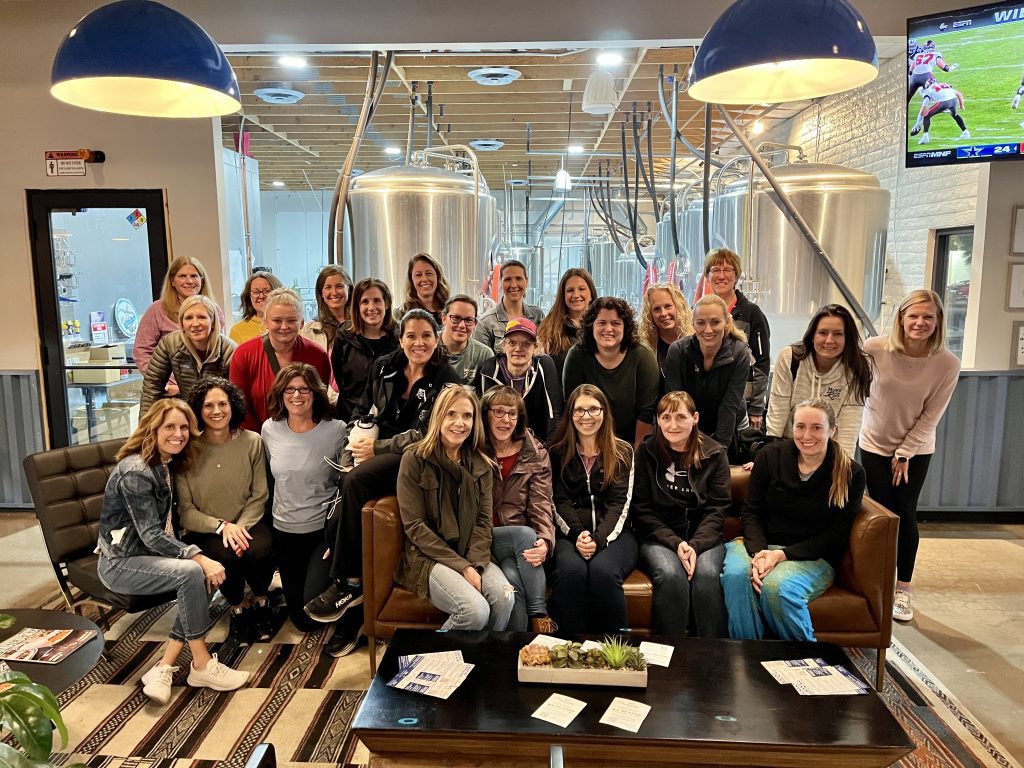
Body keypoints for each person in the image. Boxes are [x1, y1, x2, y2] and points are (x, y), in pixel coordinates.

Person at [303, 309, 462, 630]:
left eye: (426, 335)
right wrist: (358, 441)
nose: (419, 342)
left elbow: (426, 434)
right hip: (381, 451)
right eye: (411, 336)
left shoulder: (447, 379)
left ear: (436, 338)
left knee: (356, 481)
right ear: (400, 339)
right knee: (346, 476)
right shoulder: (385, 366)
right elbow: (366, 410)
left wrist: (375, 449)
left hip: (421, 459)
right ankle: (338, 553)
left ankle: (350, 582)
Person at [97, 399, 249, 705]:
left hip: (150, 557)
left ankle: (165, 666)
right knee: (195, 569)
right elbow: (152, 535)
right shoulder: (138, 471)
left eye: (183, 427)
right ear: (153, 428)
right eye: (170, 426)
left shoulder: (165, 462)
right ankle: (202, 663)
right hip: (120, 563)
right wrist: (198, 556)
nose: (178, 433)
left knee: (198, 573)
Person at [721, 399, 865, 642]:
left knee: (777, 587)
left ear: (833, 430)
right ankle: (747, 659)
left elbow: (836, 535)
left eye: (817, 428)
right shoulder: (770, 456)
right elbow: (751, 512)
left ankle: (804, 661)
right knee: (736, 576)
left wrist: (782, 556)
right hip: (759, 545)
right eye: (800, 426)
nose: (807, 435)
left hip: (812, 555)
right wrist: (759, 554)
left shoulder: (850, 472)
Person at [859, 289, 959, 622]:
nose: (919, 322)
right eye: (913, 315)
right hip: (873, 444)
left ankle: (902, 589)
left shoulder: (947, 363)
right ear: (901, 317)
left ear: (938, 321)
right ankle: (878, 583)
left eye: (927, 317)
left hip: (915, 451)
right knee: (881, 516)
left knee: (905, 513)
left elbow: (932, 414)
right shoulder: (875, 348)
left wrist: (904, 453)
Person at [394, 386, 514, 631]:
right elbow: (415, 527)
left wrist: (474, 563)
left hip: (472, 551)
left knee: (504, 596)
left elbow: (483, 523)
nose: (460, 423)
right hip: (428, 556)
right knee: (474, 611)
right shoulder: (415, 458)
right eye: (451, 414)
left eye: (467, 416)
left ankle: (481, 662)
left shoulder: (481, 463)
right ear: (439, 416)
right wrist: (463, 567)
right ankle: (435, 664)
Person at [260, 364, 356, 655]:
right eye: (290, 389)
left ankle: (352, 609)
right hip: (285, 530)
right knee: (302, 620)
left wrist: (337, 534)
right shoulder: (269, 429)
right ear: (281, 394)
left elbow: (347, 486)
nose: (297, 395)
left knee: (313, 612)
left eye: (304, 389)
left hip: (321, 533)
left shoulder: (336, 430)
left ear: (316, 394)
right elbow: (268, 479)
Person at [177, 377, 273, 644]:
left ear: (233, 407)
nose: (216, 411)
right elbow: (185, 510)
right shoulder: (187, 449)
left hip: (248, 523)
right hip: (207, 529)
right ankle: (238, 605)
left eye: (222, 404)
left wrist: (239, 527)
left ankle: (262, 600)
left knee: (260, 550)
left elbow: (259, 494)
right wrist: (222, 527)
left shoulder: (253, 441)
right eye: (208, 406)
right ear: (198, 410)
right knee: (225, 556)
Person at [632, 391, 730, 637]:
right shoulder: (646, 452)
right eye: (665, 418)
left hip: (703, 537)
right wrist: (677, 544)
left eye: (680, 417)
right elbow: (642, 509)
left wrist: (694, 546)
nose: (672, 425)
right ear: (658, 421)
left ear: (695, 418)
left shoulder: (716, 454)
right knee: (671, 574)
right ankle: (671, 649)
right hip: (659, 536)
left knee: (706, 575)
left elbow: (718, 509)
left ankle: (712, 650)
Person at [549, 384, 637, 634]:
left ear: (604, 412)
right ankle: (570, 648)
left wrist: (598, 540)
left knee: (603, 572)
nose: (586, 417)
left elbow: (620, 504)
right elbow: (558, 500)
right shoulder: (557, 452)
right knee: (570, 572)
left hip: (615, 535)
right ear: (570, 414)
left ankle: (616, 651)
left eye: (593, 410)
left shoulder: (623, 451)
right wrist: (578, 535)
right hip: (570, 533)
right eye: (579, 410)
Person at [480, 386, 557, 632]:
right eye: (498, 412)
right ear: (486, 414)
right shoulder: (474, 448)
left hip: (515, 547)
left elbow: (541, 502)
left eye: (512, 414)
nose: (505, 420)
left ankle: (517, 648)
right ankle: (540, 617)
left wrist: (545, 539)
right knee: (525, 534)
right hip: (482, 535)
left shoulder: (534, 453)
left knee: (513, 578)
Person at [766, 304, 873, 456]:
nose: (829, 340)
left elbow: (849, 428)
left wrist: (842, 469)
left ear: (847, 338)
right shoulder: (790, 358)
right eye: (823, 333)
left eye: (837, 334)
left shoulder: (857, 368)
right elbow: (777, 411)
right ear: (812, 335)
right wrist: (771, 455)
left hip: (827, 451)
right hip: (790, 445)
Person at [562, 297, 660, 445]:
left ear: (625, 327)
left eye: (616, 323)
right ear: (591, 326)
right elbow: (573, 408)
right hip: (588, 439)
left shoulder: (642, 355)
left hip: (633, 441)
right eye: (602, 323)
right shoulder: (577, 355)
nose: (608, 329)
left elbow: (646, 413)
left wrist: (636, 460)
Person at [229, 288, 330, 431]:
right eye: (277, 320)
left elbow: (319, 403)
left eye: (291, 320)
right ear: (265, 322)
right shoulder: (243, 355)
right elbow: (240, 407)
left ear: (301, 323)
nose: (284, 327)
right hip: (259, 439)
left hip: (306, 437)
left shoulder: (317, 355)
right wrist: (261, 441)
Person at [664, 295, 751, 452]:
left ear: (727, 323)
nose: (708, 329)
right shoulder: (677, 351)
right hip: (685, 428)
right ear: (693, 324)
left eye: (715, 322)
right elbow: (676, 405)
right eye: (701, 323)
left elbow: (729, 405)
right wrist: (683, 447)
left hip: (727, 427)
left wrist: (718, 452)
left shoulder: (740, 353)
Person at [701, 248, 770, 430]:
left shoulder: (752, 314)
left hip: (743, 404)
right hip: (708, 403)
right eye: (715, 270)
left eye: (728, 270)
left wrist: (756, 408)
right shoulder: (699, 311)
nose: (721, 276)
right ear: (707, 276)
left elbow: (762, 362)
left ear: (737, 275)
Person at [140, 295, 235, 415]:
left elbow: (237, 397)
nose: (195, 324)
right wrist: (145, 429)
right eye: (189, 318)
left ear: (213, 322)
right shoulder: (170, 344)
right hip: (187, 415)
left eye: (202, 317)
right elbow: (152, 388)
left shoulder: (229, 350)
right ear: (182, 323)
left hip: (219, 415)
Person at [133, 256, 226, 378]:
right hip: (171, 389)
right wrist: (165, 382)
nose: (189, 281)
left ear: (202, 281)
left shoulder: (214, 310)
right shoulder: (157, 310)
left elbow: (220, 351)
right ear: (172, 281)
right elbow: (142, 351)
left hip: (207, 387)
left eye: (194, 276)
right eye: (182, 276)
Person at [475, 318, 563, 443]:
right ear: (504, 345)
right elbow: (483, 417)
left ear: (535, 347)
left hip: (537, 444)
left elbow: (554, 413)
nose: (518, 348)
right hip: (496, 444)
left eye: (526, 344)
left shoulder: (544, 365)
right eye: (512, 343)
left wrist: (549, 453)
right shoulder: (489, 370)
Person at [331, 277, 399, 422]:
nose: (371, 307)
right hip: (349, 420)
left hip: (387, 422)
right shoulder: (344, 338)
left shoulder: (398, 340)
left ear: (386, 304)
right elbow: (342, 383)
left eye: (377, 300)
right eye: (365, 302)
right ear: (357, 306)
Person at [474, 260, 546, 350]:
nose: (513, 285)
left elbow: (543, 352)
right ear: (501, 282)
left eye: (518, 278)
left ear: (526, 282)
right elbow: (482, 360)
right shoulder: (486, 322)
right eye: (508, 279)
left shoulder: (538, 315)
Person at [536, 267, 596, 373]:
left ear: (591, 294)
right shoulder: (549, 329)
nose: (576, 295)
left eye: (582, 289)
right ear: (562, 295)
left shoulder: (600, 327)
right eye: (570, 290)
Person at [300, 265, 353, 376]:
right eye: (328, 287)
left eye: (339, 286)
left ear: (349, 289)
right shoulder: (310, 330)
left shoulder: (361, 325)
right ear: (321, 293)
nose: (334, 293)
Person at [639, 283, 693, 371]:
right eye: (657, 309)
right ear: (650, 314)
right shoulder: (646, 345)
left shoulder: (695, 339)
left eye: (668, 306)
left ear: (678, 307)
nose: (663, 313)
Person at [440, 294, 493, 383]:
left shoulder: (484, 355)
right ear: (444, 318)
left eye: (468, 320)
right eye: (456, 318)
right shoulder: (428, 346)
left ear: (475, 324)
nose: (461, 325)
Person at [396, 252, 450, 325]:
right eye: (418, 275)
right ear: (411, 280)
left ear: (438, 277)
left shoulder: (451, 312)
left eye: (429, 273)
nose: (424, 279)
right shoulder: (400, 315)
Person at [910, 78, 969, 145]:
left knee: (926, 115)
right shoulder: (944, 85)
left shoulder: (928, 92)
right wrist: (961, 105)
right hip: (954, 100)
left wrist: (917, 124)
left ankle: (925, 137)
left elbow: (922, 110)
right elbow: (959, 94)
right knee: (955, 115)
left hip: (945, 102)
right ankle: (965, 132)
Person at [229, 271, 283, 345]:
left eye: (267, 291)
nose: (261, 296)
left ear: (278, 294)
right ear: (249, 297)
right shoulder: (237, 330)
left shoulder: (291, 325)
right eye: (255, 292)